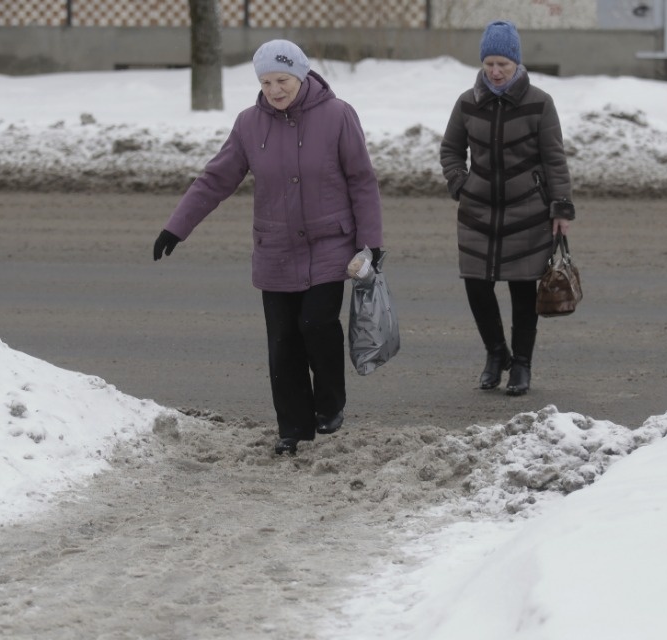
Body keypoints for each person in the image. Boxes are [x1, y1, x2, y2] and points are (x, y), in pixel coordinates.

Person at [152, 39, 383, 455]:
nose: (275, 90)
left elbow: (361, 181)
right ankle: (293, 429)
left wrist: (370, 244)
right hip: (275, 248)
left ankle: (331, 403)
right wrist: (176, 227)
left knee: (315, 324)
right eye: (266, 82)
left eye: (282, 80)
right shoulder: (248, 124)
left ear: (301, 75)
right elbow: (215, 179)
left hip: (330, 245)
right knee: (282, 341)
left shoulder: (337, 115)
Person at [440, 20, 575, 396]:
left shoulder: (539, 103)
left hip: (527, 212)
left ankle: (522, 365)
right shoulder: (468, 102)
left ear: (517, 63)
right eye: (489, 64)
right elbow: (451, 150)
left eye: (503, 64)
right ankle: (496, 354)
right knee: (477, 287)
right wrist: (460, 184)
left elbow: (554, 159)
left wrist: (560, 207)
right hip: (477, 212)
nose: (496, 72)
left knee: (522, 290)